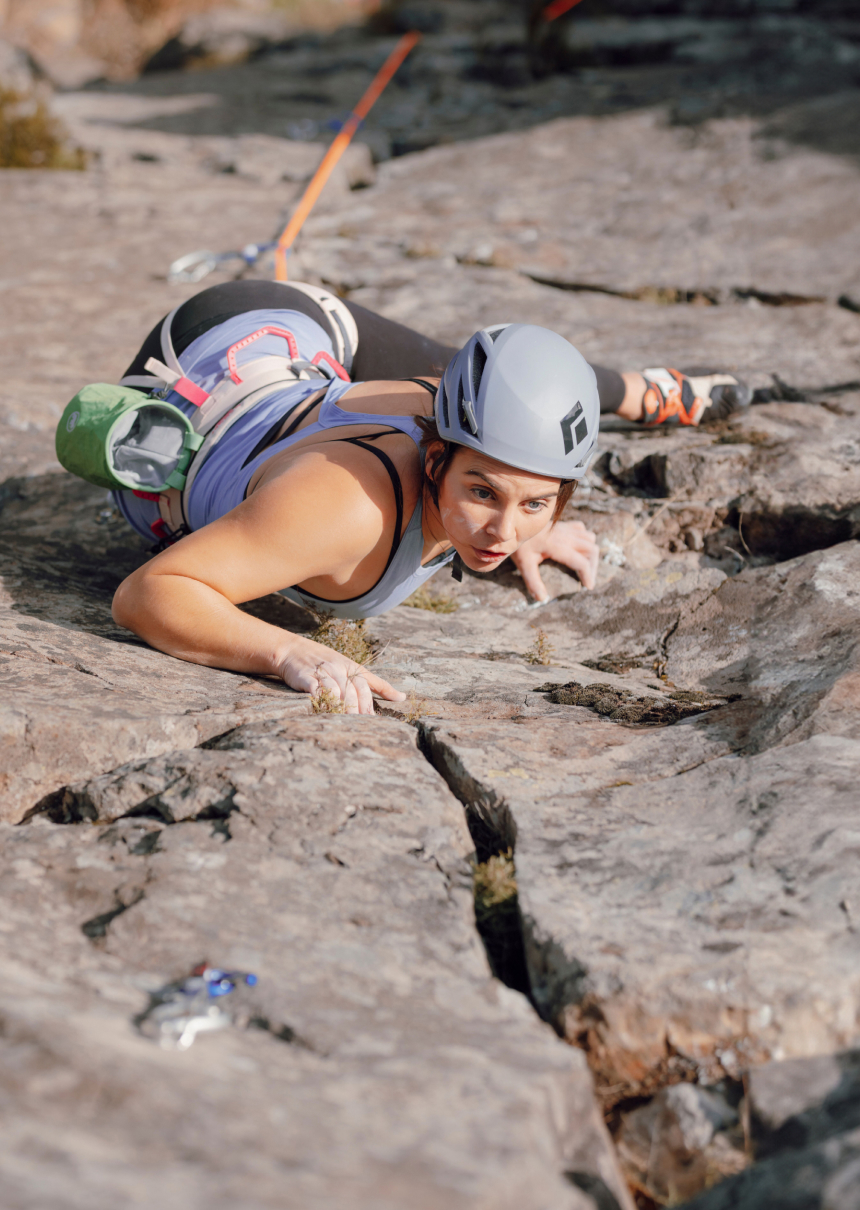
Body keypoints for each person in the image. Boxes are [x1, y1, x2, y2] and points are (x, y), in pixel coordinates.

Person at [110, 281, 749, 714]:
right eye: (481, 491)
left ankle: (644, 394)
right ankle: (640, 389)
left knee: (486, 382)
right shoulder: (347, 507)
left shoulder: (485, 476)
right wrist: (285, 652)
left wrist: (529, 525)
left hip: (299, 370)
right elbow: (149, 593)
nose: (500, 531)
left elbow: (509, 484)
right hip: (223, 343)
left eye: (535, 502)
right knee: (466, 368)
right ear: (436, 459)